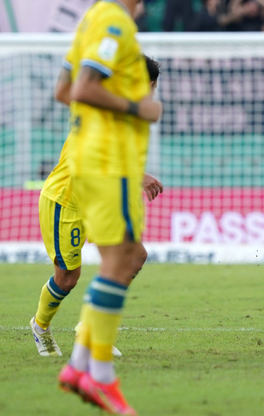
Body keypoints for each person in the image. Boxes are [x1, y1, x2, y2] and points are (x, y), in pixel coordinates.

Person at [55, 0, 162, 415]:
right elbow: (81, 88)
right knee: (123, 260)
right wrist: (138, 107)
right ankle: (99, 374)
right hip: (108, 161)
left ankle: (79, 366)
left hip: (86, 157)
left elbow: (63, 89)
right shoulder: (116, 22)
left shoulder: (90, 18)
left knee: (119, 258)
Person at [29, 56, 163, 359]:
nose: (151, 93)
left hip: (98, 200)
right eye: (151, 86)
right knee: (67, 278)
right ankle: (40, 326)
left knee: (135, 256)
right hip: (66, 200)